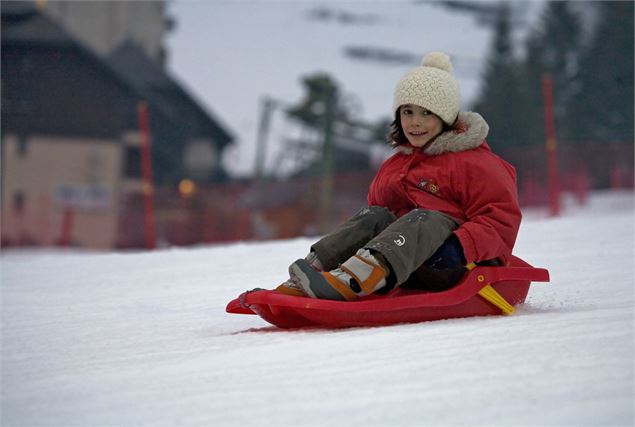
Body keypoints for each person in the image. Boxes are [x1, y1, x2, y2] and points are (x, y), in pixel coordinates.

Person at [275, 51, 522, 301]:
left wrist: (460, 246)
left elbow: (500, 220)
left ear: (446, 117)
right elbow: (377, 217)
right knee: (375, 216)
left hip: (454, 265)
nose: (415, 122)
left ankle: (354, 280)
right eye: (408, 112)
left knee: (426, 218)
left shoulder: (474, 163)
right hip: (401, 265)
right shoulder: (396, 165)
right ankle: (314, 272)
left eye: (427, 113)